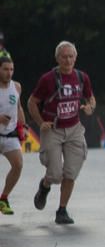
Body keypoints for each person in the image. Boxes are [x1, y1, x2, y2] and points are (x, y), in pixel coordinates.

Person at [27, 41, 96, 225]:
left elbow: (91, 99)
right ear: (57, 58)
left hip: (74, 128)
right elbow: (32, 102)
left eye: (71, 56)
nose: (68, 60)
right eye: (64, 57)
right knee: (56, 174)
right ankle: (45, 186)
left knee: (71, 172)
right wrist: (41, 123)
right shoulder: (47, 79)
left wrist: (89, 107)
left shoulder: (82, 77)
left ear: (76, 57)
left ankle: (62, 210)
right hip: (53, 129)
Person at [0, 56, 25, 215]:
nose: (9, 73)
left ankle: (3, 199)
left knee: (18, 165)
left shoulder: (16, 86)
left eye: (11, 69)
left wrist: (23, 126)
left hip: (9, 134)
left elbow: (19, 107)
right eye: (5, 69)